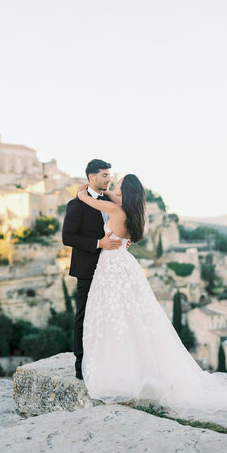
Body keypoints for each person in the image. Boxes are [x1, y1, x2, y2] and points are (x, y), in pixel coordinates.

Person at [76, 173, 227, 416]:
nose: (115, 188)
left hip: (111, 268)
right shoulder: (134, 214)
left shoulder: (115, 212)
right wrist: (107, 191)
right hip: (125, 264)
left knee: (112, 317)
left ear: (126, 191)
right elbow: (113, 198)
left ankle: (118, 371)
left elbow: (86, 199)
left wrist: (86, 188)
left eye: (119, 186)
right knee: (130, 317)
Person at [62, 159, 131, 380]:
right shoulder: (77, 204)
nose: (108, 179)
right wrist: (97, 244)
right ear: (91, 177)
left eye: (109, 175)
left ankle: (106, 360)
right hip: (88, 268)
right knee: (84, 314)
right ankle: (80, 364)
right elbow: (67, 237)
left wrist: (122, 242)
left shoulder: (113, 202)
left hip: (111, 268)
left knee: (109, 314)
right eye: (104, 175)